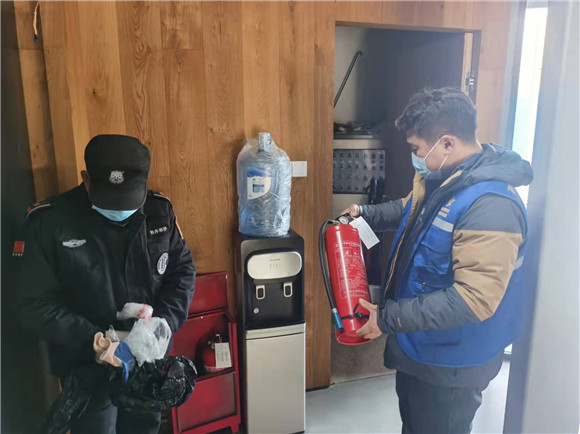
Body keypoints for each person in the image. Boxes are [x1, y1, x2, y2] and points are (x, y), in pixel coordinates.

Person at [344, 88, 533, 433]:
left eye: (417, 149)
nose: (415, 157)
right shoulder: (446, 178)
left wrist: (387, 318)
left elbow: (474, 299)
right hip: (422, 344)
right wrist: (365, 214)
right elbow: (409, 210)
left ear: (447, 143)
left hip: (453, 362)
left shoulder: (491, 206)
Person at [13, 134, 196, 434]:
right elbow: (33, 301)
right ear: (86, 180)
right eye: (111, 200)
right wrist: (96, 341)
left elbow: (182, 271)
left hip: (146, 360)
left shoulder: (158, 212)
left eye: (129, 199)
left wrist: (164, 323)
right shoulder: (49, 223)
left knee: (144, 429)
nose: (120, 209)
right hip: (88, 366)